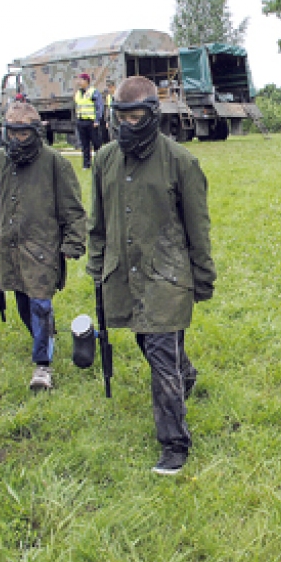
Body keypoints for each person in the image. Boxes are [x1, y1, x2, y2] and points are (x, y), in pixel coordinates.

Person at [87, 76, 216, 475]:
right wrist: (95, 267)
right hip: (124, 273)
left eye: (137, 115)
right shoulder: (105, 160)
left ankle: (174, 444)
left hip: (167, 274)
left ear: (152, 115)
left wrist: (202, 276)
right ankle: (187, 373)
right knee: (148, 342)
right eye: (122, 116)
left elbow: (198, 226)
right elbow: (99, 222)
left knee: (161, 355)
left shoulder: (181, 161)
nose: (129, 124)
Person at [0, 102, 86, 390]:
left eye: (23, 133)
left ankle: (42, 366)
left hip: (43, 246)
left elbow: (73, 209)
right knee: (22, 301)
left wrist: (72, 243)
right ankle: (45, 336)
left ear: (35, 132)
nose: (17, 139)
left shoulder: (55, 163)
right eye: (13, 133)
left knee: (40, 303)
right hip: (10, 246)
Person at [73, 73, 104, 169]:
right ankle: (86, 164)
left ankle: (100, 163)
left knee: (96, 143)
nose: (79, 82)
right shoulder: (78, 93)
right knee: (84, 144)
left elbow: (99, 107)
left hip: (91, 122)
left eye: (81, 80)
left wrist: (97, 120)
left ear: (86, 81)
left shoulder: (93, 92)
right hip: (81, 121)